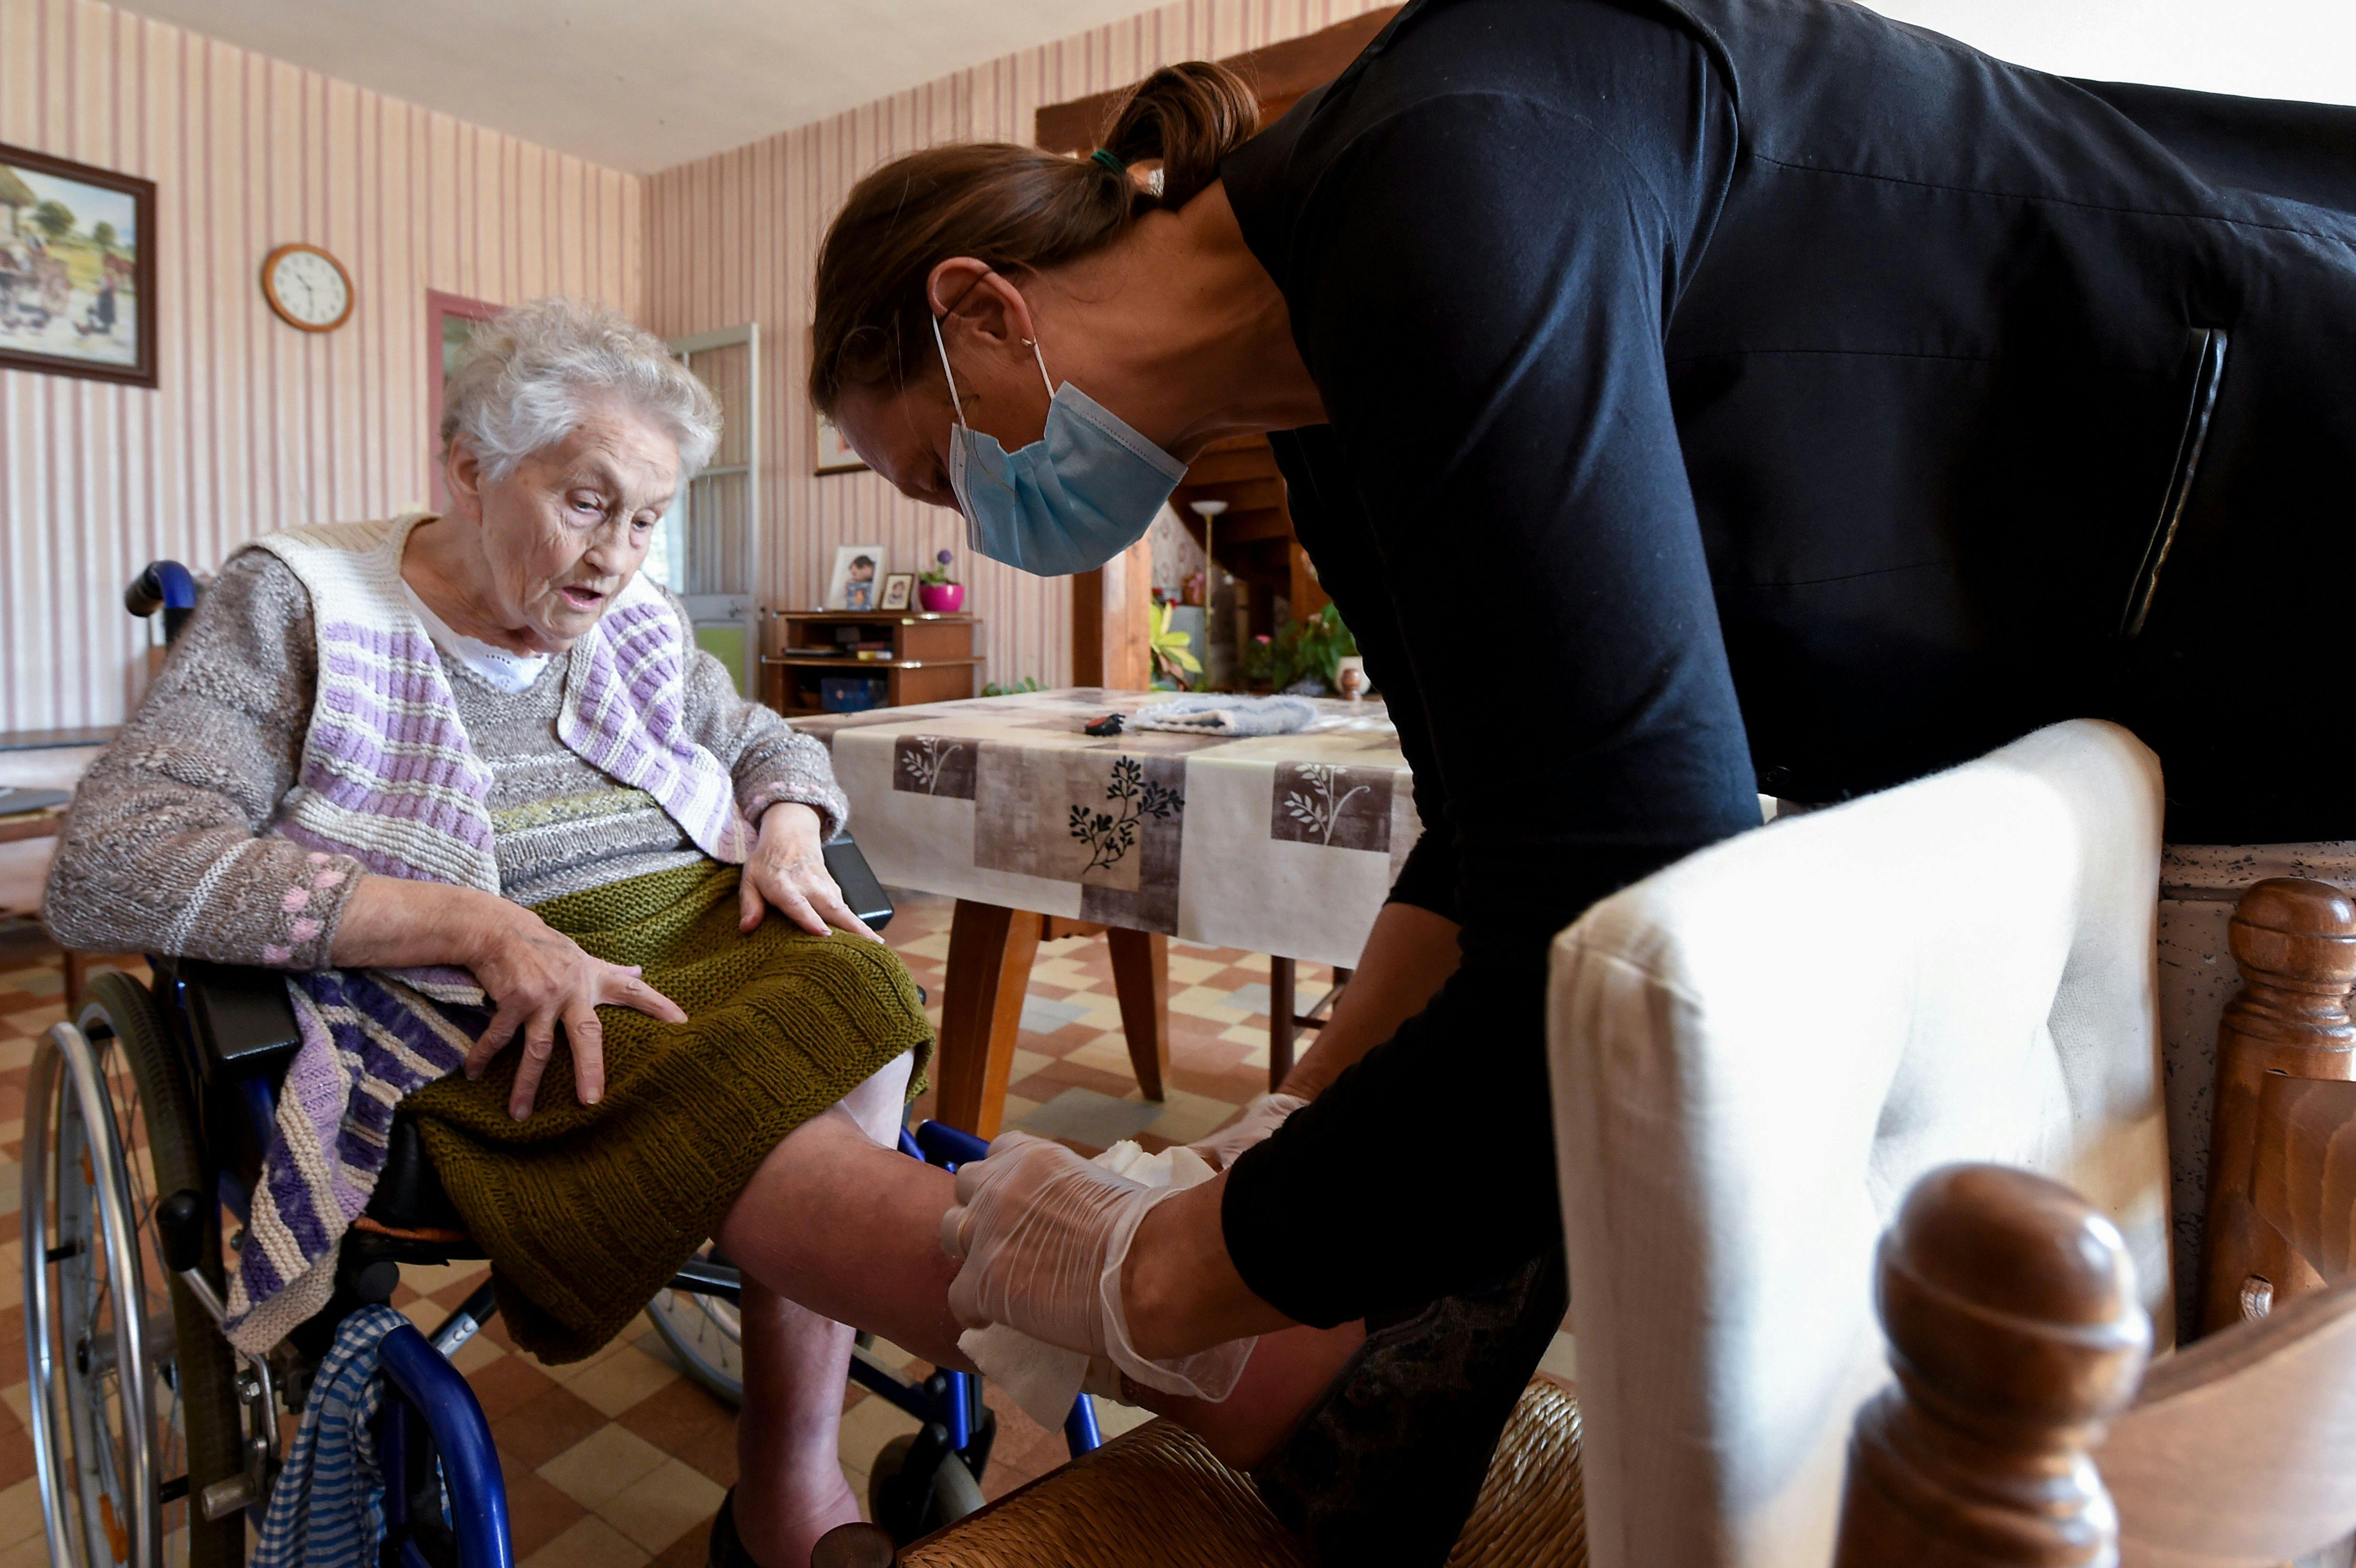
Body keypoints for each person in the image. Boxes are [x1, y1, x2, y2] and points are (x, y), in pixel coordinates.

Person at [809, 0, 2356, 1530]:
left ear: (985, 306)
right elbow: (1490, 826)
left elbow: (1608, 891)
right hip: (2104, 685)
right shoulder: (1323, 415)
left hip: (2272, 550)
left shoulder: (1446, 175)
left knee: (2223, 1373)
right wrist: (1293, 1118)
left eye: (947, 470)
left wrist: (1159, 1269)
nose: (976, 527)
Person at [43, 297, 1356, 1567]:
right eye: (586, 502)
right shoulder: (300, 598)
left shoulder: (631, 621)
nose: (619, 556)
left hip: (676, 912)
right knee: (700, 1067)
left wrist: (786, 819)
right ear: (468, 467)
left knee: (851, 987)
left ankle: (802, 1461)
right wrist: (472, 922)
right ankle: (1145, 1318)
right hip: (451, 973)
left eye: (649, 519)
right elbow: (114, 857)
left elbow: (763, 739)